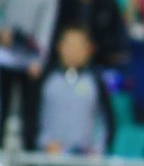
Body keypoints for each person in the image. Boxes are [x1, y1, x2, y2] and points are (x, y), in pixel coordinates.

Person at [0, 0, 57, 151]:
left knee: (29, 114)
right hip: (5, 54)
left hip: (30, 58)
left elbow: (46, 26)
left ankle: (30, 164)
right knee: (1, 111)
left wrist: (38, 59)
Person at [37, 26, 114, 157]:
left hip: (86, 162)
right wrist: (44, 143)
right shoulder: (45, 79)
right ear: (59, 46)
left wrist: (97, 149)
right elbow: (32, 117)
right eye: (69, 45)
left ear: (89, 49)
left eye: (79, 45)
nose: (73, 50)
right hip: (48, 158)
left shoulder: (96, 82)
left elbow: (107, 121)